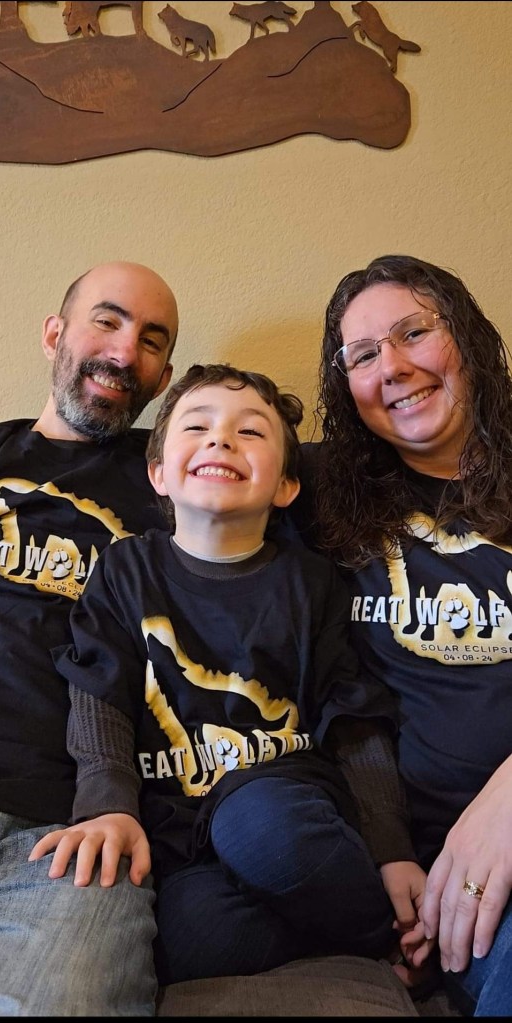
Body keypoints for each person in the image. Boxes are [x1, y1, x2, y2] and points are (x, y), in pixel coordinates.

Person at [30, 362, 429, 986]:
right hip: (182, 834)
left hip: (281, 800)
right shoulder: (125, 571)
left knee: (259, 829)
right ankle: (329, 930)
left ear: (286, 486)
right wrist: (106, 807)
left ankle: (386, 934)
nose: (221, 439)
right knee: (186, 941)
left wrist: (392, 849)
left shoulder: (310, 582)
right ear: (159, 473)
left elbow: (353, 717)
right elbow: (98, 693)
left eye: (250, 432)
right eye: (198, 427)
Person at [0, 260, 179, 1016]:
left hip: (66, 837)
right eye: (107, 321)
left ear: (164, 378)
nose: (124, 351)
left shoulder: (181, 487)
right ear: (54, 334)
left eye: (151, 340)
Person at [292, 253, 512, 1016]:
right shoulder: (320, 499)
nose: (392, 367)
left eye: (414, 332)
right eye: (362, 355)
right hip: (456, 880)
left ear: (468, 338)